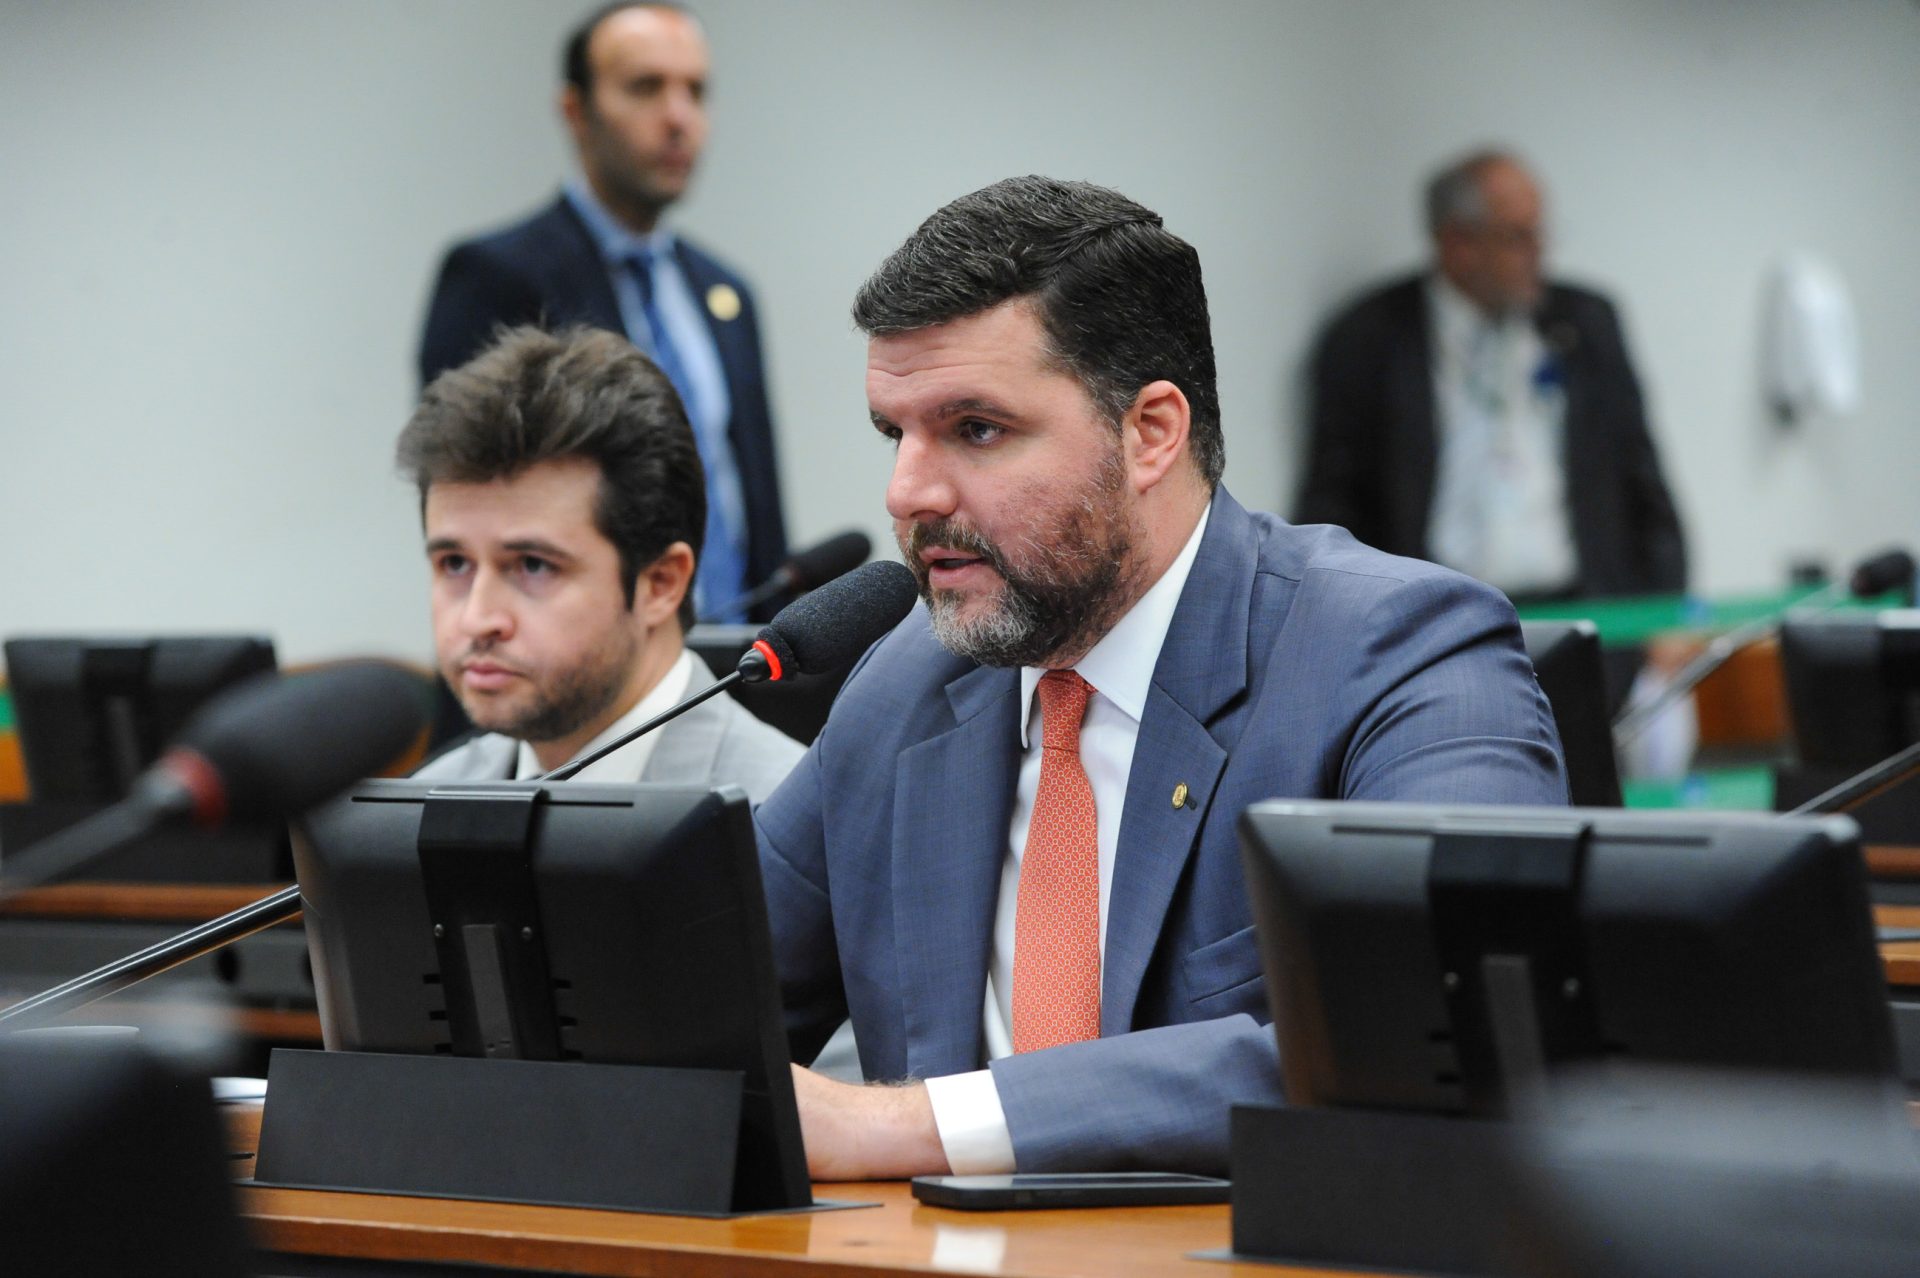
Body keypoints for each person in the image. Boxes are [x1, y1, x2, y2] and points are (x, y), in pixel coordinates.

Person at [755, 176, 1567, 1179]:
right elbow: (697, 1001)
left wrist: (907, 1128)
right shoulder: (907, 684)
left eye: (976, 430)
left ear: (1150, 434)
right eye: (896, 433)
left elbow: (1440, 1034)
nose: (907, 493)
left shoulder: (1403, 652)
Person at [417, 2, 785, 623]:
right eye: (646, 88)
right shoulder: (496, 277)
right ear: (576, 111)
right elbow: (467, 503)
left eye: (695, 91)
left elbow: (754, 501)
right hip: (579, 663)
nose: (678, 118)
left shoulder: (725, 293)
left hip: (740, 656)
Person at [401, 325, 801, 799]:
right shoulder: (420, 806)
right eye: (454, 564)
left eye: (532, 565)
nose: (477, 619)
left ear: (660, 583)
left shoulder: (789, 819)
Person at [1296, 149, 1686, 603]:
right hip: (1434, 615)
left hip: (1582, 608)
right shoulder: (1371, 337)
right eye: (1518, 237)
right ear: (1458, 244)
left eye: (1540, 232)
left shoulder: (1584, 321)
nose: (1539, 253)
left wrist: (1667, 607)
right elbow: (1332, 503)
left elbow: (1639, 472)